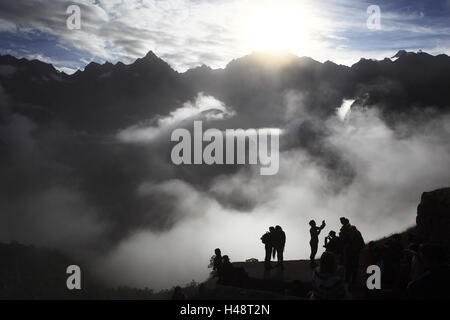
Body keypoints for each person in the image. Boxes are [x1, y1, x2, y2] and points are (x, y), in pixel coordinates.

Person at [339, 217, 364, 284]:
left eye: (342, 221)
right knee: (350, 266)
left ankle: (351, 281)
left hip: (352, 250)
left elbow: (347, 240)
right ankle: (350, 280)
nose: (341, 222)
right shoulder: (345, 229)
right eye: (341, 221)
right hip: (350, 250)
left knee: (352, 266)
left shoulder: (350, 230)